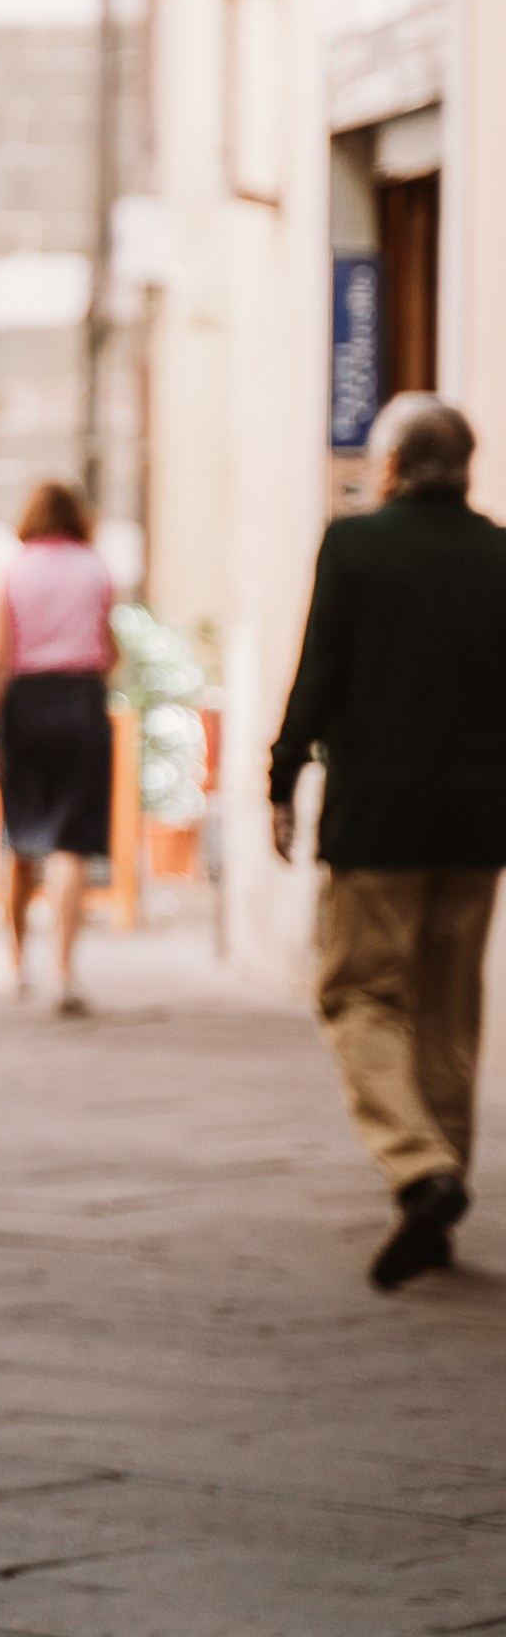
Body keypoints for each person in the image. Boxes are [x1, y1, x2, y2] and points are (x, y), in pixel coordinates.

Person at [270, 393, 506, 1291]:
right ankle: (435, 1204)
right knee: (450, 1012)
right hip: (481, 824)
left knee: (358, 995)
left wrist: (284, 775)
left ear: (395, 469)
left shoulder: (356, 546)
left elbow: (319, 668)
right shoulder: (500, 555)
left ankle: (418, 1167)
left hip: (380, 824)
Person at [0, 480, 114, 1014]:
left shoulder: (13, 568)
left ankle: (14, 963)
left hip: (26, 703)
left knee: (20, 834)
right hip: (81, 701)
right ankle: (63, 972)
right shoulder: (96, 568)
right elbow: (108, 647)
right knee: (72, 841)